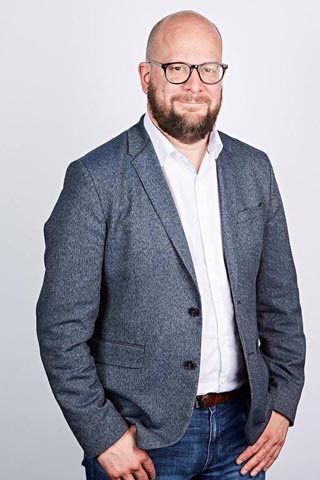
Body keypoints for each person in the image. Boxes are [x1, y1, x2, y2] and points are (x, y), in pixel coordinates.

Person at [36, 10, 306, 480]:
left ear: (221, 76)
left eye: (208, 69)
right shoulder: (95, 180)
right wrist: (104, 437)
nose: (194, 85)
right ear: (146, 76)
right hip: (141, 442)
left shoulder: (254, 170)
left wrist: (283, 406)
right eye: (177, 68)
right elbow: (60, 330)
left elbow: (281, 304)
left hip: (243, 435)